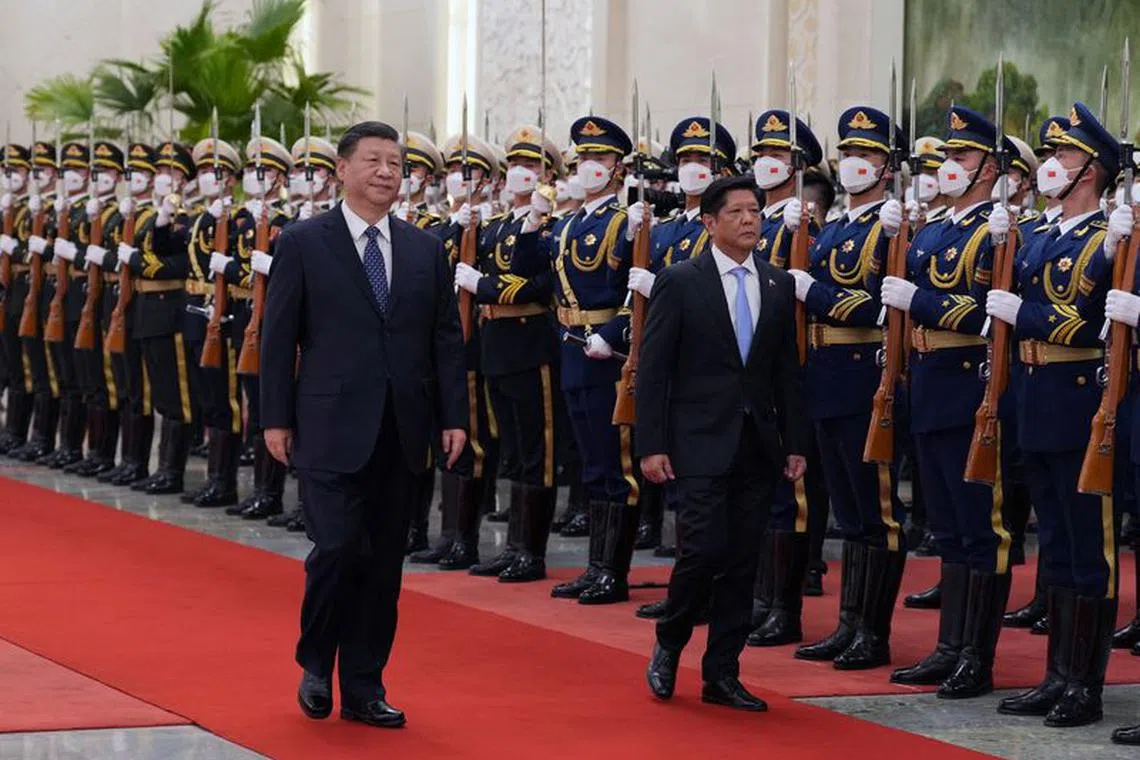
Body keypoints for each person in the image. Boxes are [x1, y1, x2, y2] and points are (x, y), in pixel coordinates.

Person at [260, 120, 467, 728]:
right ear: (342, 170)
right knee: (337, 549)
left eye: (395, 164)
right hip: (327, 425)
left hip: (402, 427)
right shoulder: (302, 242)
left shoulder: (426, 249)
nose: (386, 172)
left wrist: (454, 416)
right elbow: (278, 338)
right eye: (373, 161)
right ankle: (316, 659)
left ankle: (365, 685)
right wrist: (274, 417)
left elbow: (444, 340)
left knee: (383, 566)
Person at [640, 174, 808, 709]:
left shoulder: (778, 284)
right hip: (697, 440)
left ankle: (723, 672)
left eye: (755, 211)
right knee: (703, 548)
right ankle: (670, 639)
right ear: (710, 223)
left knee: (741, 559)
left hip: (757, 442)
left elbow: (786, 371)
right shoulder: (681, 281)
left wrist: (795, 441)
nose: (749, 220)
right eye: (736, 212)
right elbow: (654, 370)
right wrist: (651, 443)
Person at [994, 102, 1119, 728]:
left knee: (1088, 547)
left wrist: (1024, 315)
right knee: (1057, 548)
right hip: (1035, 399)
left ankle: (1085, 685)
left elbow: (1091, 324)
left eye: (1062, 156)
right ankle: (1057, 676)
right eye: (1047, 155)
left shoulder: (1109, 239)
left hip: (1080, 402)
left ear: (1091, 170)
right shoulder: (1040, 235)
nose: (1049, 166)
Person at [880, 107, 1012, 698]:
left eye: (961, 157)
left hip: (967, 386)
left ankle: (974, 657)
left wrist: (923, 305)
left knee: (978, 526)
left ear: (989, 167)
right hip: (928, 385)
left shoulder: (998, 232)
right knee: (949, 528)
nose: (949, 166)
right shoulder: (933, 228)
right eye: (949, 157)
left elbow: (988, 312)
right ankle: (949, 646)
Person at [789, 106, 907, 670]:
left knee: (876, 509)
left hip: (865, 373)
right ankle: (849, 624)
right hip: (827, 375)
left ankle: (874, 633)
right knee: (849, 513)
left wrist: (814, 294)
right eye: (849, 154)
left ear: (887, 166)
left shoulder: (893, 225)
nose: (854, 163)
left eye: (867, 154)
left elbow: (884, 305)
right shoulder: (835, 226)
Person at [511, 115, 639, 605]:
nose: (589, 166)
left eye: (599, 159)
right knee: (591, 463)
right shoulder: (570, 223)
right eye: (583, 158)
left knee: (615, 461)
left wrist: (613, 334)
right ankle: (597, 567)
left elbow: (638, 291)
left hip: (606, 353)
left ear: (618, 168)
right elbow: (527, 268)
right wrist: (532, 221)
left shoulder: (624, 223)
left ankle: (614, 572)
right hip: (571, 348)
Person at [454, 124, 563, 578]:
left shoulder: (550, 226)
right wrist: (454, 225)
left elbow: (538, 281)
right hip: (495, 342)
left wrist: (487, 286)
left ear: (549, 175)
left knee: (539, 447)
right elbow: (455, 265)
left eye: (531, 165)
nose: (520, 172)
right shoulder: (494, 226)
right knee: (514, 447)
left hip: (530, 341)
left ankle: (531, 552)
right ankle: (514, 546)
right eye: (515, 163)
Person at [744, 108, 828, 646]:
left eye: (775, 155)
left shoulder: (803, 224)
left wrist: (807, 231)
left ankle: (785, 607)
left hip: (789, 367)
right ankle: (757, 597)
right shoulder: (750, 216)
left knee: (790, 493)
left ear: (796, 164)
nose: (764, 163)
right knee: (756, 489)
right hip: (751, 368)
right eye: (760, 154)